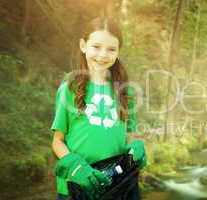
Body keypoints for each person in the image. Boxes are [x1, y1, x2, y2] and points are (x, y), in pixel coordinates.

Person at [51, 17, 146, 200]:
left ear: (118, 52)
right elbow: (57, 141)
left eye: (111, 49)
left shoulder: (125, 92)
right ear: (83, 45)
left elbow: (129, 135)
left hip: (116, 185)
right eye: (96, 46)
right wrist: (75, 166)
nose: (103, 55)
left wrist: (136, 147)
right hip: (75, 185)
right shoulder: (69, 89)